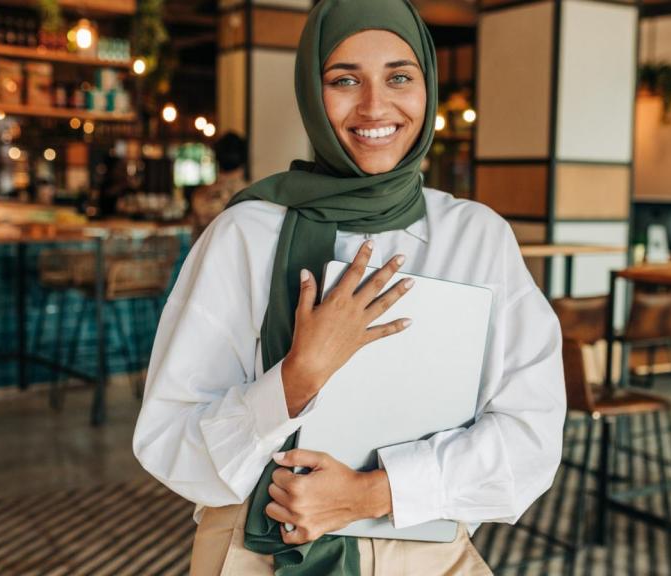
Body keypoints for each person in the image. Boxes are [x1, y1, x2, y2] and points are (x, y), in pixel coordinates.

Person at [132, 0, 565, 574]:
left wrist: (372, 493)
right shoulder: (246, 234)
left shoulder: (476, 237)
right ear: (313, 93)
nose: (374, 106)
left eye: (399, 77)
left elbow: (530, 439)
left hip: (422, 552)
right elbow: (170, 442)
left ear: (426, 88)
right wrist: (294, 379)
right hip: (256, 550)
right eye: (344, 80)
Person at [191, 132, 249, 238]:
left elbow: (195, 242)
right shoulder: (254, 196)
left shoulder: (200, 197)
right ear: (244, 159)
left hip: (210, 253)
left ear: (216, 159)